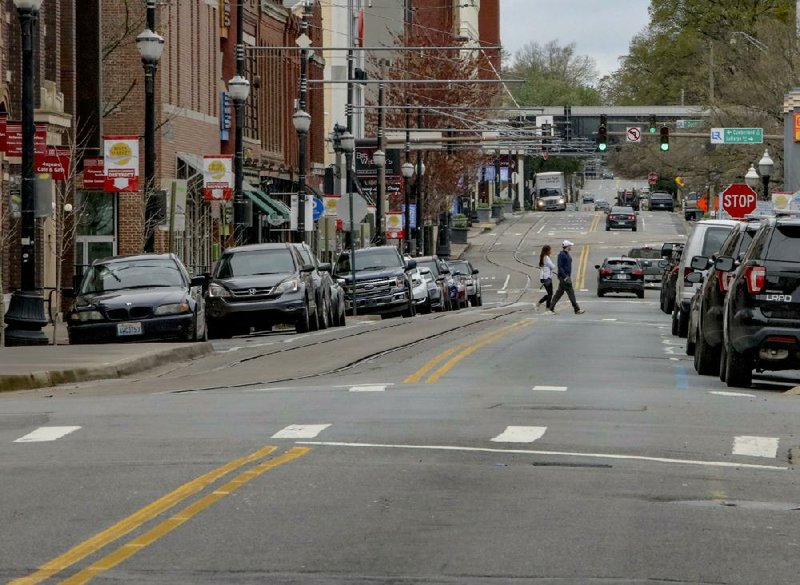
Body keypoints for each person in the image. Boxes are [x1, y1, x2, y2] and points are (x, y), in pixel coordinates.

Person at [549, 240, 585, 314]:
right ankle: (577, 309)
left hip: (565, 277)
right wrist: (565, 277)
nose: (571, 247)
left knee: (559, 293)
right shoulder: (562, 255)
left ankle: (551, 307)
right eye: (570, 245)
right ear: (567, 246)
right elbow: (560, 266)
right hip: (564, 277)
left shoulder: (566, 254)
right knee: (571, 293)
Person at [537, 245, 555, 310]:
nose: (551, 251)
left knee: (549, 293)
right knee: (550, 294)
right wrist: (553, 265)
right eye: (550, 250)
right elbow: (552, 266)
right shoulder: (546, 258)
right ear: (547, 251)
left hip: (543, 277)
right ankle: (547, 308)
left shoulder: (542, 257)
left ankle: (540, 303)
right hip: (547, 277)